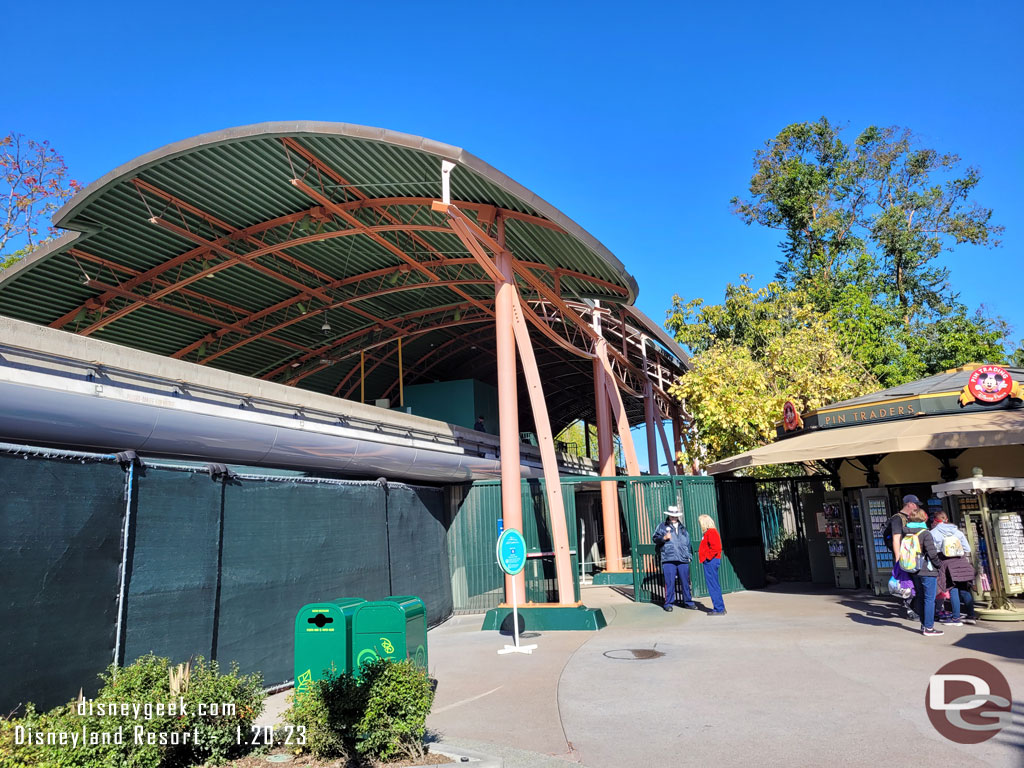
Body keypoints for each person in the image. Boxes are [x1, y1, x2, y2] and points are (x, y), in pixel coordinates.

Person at [930, 511, 977, 626]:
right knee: (964, 589)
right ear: (946, 519)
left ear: (935, 520)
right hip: (961, 561)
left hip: (946, 563)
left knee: (953, 589)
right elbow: (967, 548)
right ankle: (971, 616)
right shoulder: (957, 531)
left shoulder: (933, 533)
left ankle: (956, 618)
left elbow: (933, 551)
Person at [906, 507, 943, 636]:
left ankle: (923, 624)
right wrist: (938, 565)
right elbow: (932, 553)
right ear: (923, 518)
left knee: (921, 597)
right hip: (927, 569)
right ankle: (928, 627)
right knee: (929, 599)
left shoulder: (906, 532)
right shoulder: (925, 533)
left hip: (913, 569)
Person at [652, 506, 696, 612]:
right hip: (668, 558)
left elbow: (688, 543)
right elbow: (655, 538)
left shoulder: (683, 528)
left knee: (685, 581)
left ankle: (688, 602)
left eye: (675, 516)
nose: (673, 517)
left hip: (683, 558)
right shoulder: (662, 526)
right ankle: (668, 603)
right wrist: (663, 538)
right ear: (668, 515)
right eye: (672, 515)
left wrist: (689, 556)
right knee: (669, 582)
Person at [883, 494, 920, 620]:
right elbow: (896, 538)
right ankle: (911, 610)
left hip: (911, 555)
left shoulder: (909, 518)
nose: (917, 508)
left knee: (914, 583)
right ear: (909, 504)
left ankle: (916, 608)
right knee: (906, 584)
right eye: (915, 505)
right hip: (904, 557)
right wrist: (898, 559)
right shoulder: (897, 519)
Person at [698, 514, 726, 615]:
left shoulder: (711, 532)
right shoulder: (709, 533)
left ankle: (719, 608)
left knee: (713, 585)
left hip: (711, 561)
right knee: (714, 584)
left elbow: (716, 547)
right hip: (711, 560)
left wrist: (707, 558)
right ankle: (720, 607)